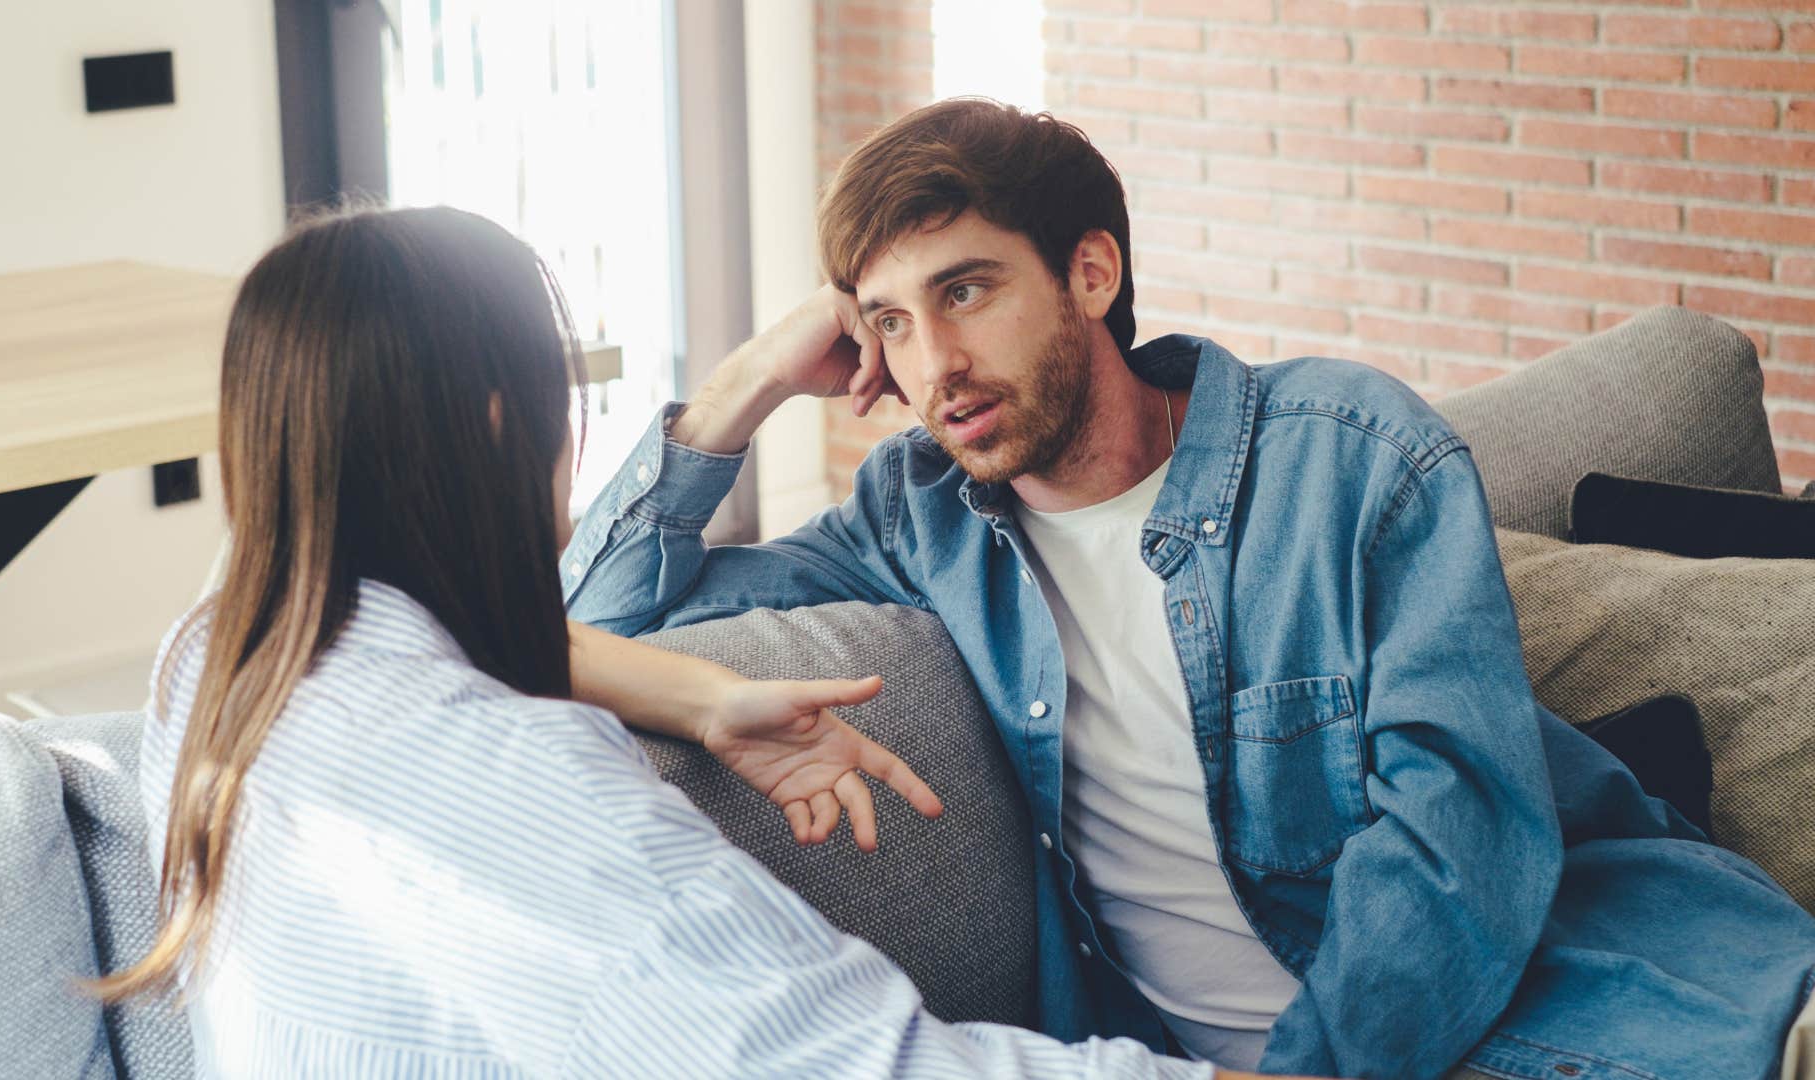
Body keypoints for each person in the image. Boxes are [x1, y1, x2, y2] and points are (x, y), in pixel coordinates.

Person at [563, 97, 1815, 1079]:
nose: (934, 365)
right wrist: (748, 385)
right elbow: (595, 616)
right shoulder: (918, 516)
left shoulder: (1348, 454)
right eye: (887, 322)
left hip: (1603, 1005)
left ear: (1091, 273)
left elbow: (1459, 832)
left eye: (967, 291)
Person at [95, 205, 1300, 1079]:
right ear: (508, 420)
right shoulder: (518, 785)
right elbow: (858, 1065)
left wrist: (698, 697)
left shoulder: (220, 649)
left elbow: (531, 640)